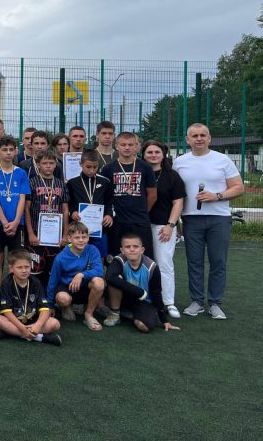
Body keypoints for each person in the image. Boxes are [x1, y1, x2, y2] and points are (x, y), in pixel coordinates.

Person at [173, 123, 244, 320]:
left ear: (209, 138)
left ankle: (215, 303)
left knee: (218, 261)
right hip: (190, 219)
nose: (199, 139)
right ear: (187, 140)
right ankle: (197, 301)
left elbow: (238, 187)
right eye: (194, 135)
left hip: (219, 218)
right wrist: (176, 221)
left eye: (203, 135)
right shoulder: (179, 162)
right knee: (194, 262)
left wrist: (217, 196)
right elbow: (174, 193)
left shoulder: (223, 160)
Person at [141, 139, 185, 319]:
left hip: (162, 226)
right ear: (143, 154)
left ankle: (168, 302)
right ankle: (144, 299)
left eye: (157, 152)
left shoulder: (172, 176)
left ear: (163, 154)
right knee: (140, 263)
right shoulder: (139, 172)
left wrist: (170, 225)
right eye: (149, 152)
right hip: (140, 224)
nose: (153, 155)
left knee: (164, 263)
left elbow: (178, 203)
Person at [103, 234, 180, 332]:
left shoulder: (152, 267)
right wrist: (139, 292)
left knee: (144, 326)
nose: (132, 249)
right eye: (128, 247)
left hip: (143, 301)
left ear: (142, 250)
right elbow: (110, 277)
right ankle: (115, 313)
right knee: (114, 280)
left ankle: (129, 314)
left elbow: (156, 293)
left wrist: (164, 320)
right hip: (123, 297)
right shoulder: (119, 260)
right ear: (122, 250)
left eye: (135, 246)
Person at [101, 132, 157, 258]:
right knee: (116, 258)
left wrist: (142, 211)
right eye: (123, 145)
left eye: (130, 145)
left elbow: (152, 194)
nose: (127, 148)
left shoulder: (146, 167)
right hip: (116, 221)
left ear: (136, 146)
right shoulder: (108, 169)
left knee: (144, 257)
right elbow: (104, 195)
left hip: (140, 221)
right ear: (116, 146)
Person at [0, 249, 61, 345]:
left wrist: (38, 325)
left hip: (32, 321)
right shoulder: (6, 283)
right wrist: (22, 328)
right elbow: (7, 312)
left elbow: (45, 309)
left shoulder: (36, 282)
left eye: (27, 267)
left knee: (55, 323)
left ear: (31, 266)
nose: (24, 270)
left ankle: (10, 333)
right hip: (13, 321)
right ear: (11, 268)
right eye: (19, 267)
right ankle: (39, 337)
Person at [46, 221, 105, 331]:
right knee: (63, 299)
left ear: (88, 238)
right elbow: (53, 281)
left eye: (84, 237)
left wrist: (81, 274)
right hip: (67, 288)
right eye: (77, 237)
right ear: (69, 239)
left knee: (99, 282)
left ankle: (89, 315)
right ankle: (67, 306)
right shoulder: (60, 257)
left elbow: (99, 271)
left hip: (85, 286)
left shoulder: (93, 250)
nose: (81, 240)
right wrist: (50, 305)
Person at [0, 135, 30, 275]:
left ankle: (13, 288)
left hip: (17, 223)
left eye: (11, 149)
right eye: (4, 150)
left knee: (16, 260)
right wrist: (5, 222)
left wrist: (15, 222)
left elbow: (22, 198)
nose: (8, 153)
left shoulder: (21, 173)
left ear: (16, 151)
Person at [24, 151, 69, 286]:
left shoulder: (61, 184)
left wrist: (65, 235)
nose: (48, 166)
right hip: (36, 234)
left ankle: (51, 296)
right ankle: (36, 296)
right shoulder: (32, 182)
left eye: (51, 163)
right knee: (35, 269)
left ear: (56, 165)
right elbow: (26, 209)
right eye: (44, 163)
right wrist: (30, 233)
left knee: (53, 270)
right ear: (38, 165)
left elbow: (65, 210)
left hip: (56, 236)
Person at [67, 149, 114, 259]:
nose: (92, 170)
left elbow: (110, 202)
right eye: (88, 167)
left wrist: (109, 215)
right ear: (81, 164)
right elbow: (69, 203)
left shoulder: (105, 182)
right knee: (77, 256)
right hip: (78, 229)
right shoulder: (72, 183)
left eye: (95, 167)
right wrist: (72, 212)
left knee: (99, 257)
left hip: (100, 228)